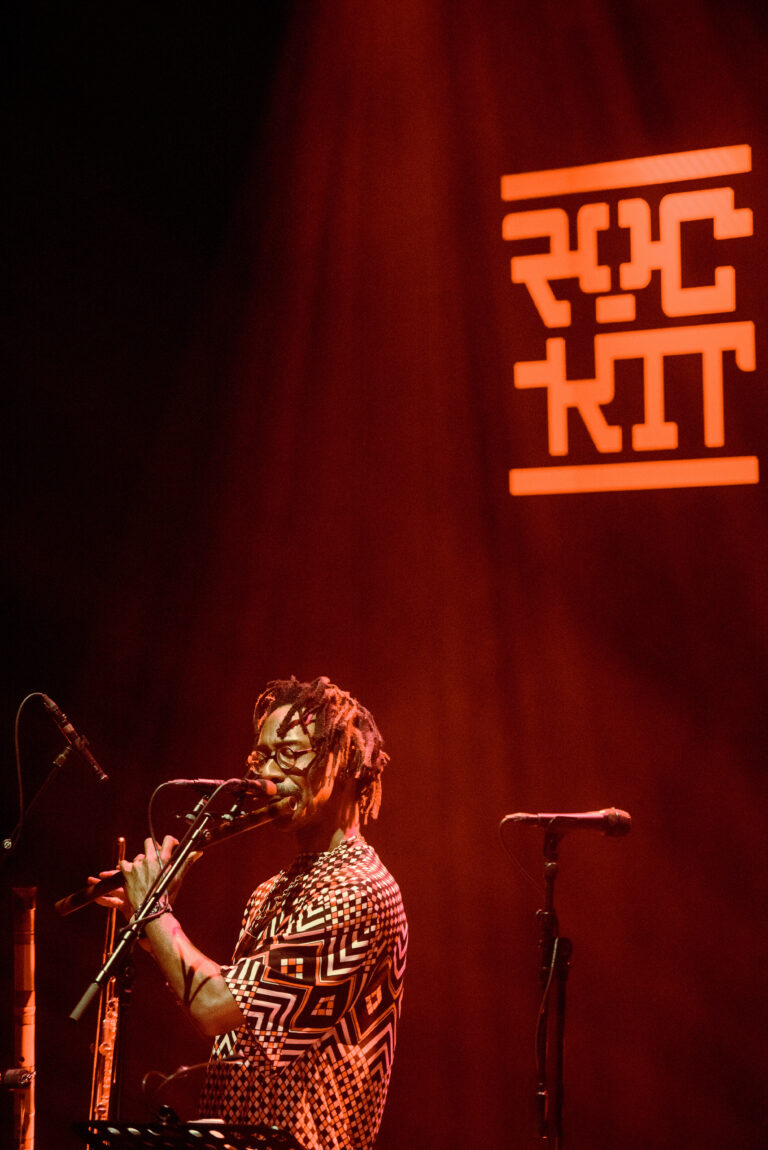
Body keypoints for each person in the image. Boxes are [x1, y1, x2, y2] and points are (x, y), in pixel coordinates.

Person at [105, 676, 407, 1150]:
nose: (266, 775)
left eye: (289, 753)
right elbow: (234, 1028)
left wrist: (156, 913)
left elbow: (213, 1007)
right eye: (262, 757)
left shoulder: (361, 891)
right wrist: (151, 933)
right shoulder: (269, 892)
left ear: (344, 763)